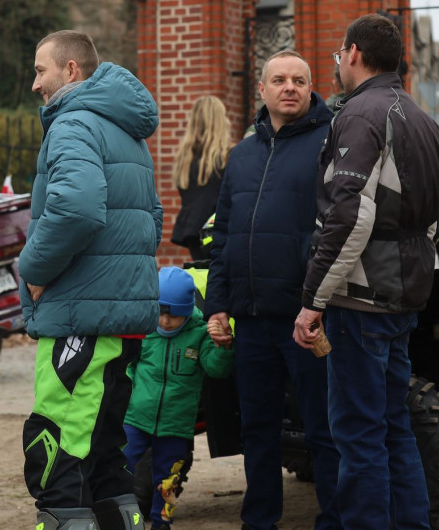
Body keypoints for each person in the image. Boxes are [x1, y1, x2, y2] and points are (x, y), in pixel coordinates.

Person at [294, 14, 439, 530]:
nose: (338, 62)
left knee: (358, 434)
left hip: (360, 301)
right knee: (393, 426)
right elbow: (427, 220)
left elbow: (348, 216)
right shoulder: (424, 119)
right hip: (403, 294)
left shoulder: (361, 113)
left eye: (340, 53)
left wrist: (314, 299)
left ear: (354, 53)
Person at [20, 30, 162, 530]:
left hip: (80, 314)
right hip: (119, 317)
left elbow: (76, 209)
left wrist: (34, 270)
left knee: (58, 441)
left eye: (41, 70)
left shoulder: (74, 122)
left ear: (72, 70)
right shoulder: (125, 129)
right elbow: (152, 215)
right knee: (105, 449)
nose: (36, 83)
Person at [205, 49, 340, 530]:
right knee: (256, 429)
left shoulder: (331, 143)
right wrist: (217, 305)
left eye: (299, 81)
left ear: (311, 88)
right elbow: (222, 237)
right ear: (260, 90)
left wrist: (318, 301)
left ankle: (334, 520)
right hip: (253, 320)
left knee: (324, 429)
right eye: (279, 80)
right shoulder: (241, 156)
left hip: (308, 317)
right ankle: (259, 519)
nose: (289, 87)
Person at [123, 267, 234, 530]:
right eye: (160, 312)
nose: (165, 321)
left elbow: (217, 369)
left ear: (187, 310)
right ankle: (120, 517)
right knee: (120, 465)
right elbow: (129, 366)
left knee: (169, 478)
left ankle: (161, 522)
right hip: (136, 420)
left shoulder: (200, 332)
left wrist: (224, 347)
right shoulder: (146, 328)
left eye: (173, 315)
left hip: (176, 426)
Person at [170, 96, 232, 261]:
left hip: (193, 231)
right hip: (219, 231)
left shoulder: (185, 159)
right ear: (219, 120)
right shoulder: (228, 157)